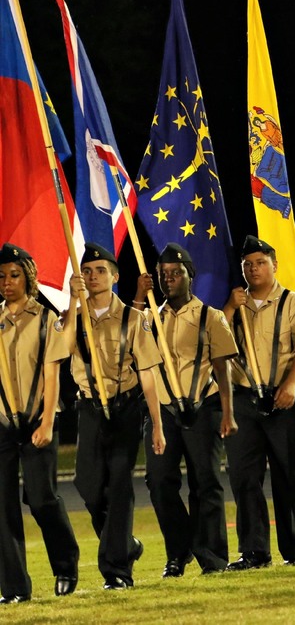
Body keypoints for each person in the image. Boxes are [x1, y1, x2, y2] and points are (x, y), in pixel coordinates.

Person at [133, 244, 239, 578]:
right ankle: (178, 551)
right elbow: (126, 339)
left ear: (189, 275)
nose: (169, 279)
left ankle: (212, 555)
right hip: (163, 410)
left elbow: (223, 368)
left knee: (205, 482)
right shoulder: (149, 318)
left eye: (176, 273)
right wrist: (139, 296)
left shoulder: (211, 316)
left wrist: (227, 411)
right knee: (159, 481)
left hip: (203, 405)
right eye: (163, 274)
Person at [69, 243, 166, 590]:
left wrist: (156, 424)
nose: (93, 276)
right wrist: (71, 302)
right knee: (88, 485)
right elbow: (58, 351)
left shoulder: (134, 319)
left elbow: (148, 374)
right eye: (88, 271)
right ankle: (126, 545)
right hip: (90, 408)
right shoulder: (74, 318)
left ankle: (117, 572)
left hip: (126, 408)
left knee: (120, 485)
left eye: (100, 270)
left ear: (115, 276)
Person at [222, 236, 295, 570]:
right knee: (243, 478)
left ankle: (294, 550)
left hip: (285, 398)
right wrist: (231, 308)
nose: (253, 269)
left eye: (260, 262)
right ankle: (253, 551)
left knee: (289, 475)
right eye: (247, 264)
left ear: (274, 265)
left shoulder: (294, 302)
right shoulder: (233, 306)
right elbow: (217, 344)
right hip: (245, 399)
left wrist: (292, 383)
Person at [0, 244, 79, 603]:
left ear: (28, 278)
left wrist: (48, 423)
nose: (6, 282)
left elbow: (52, 378)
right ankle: (15, 588)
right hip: (2, 425)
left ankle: (65, 564)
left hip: (37, 421)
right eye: (1, 276)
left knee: (42, 498)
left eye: (14, 275)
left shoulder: (46, 321)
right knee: (2, 507)